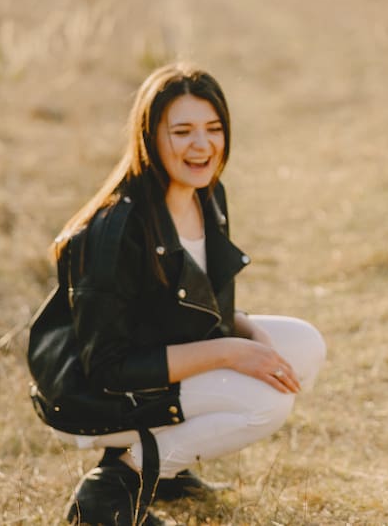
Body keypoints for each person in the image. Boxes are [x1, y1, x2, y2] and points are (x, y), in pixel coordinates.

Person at [28, 64, 326, 525]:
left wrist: (246, 334)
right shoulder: (117, 229)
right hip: (96, 390)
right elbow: (107, 367)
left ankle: (170, 471)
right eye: (182, 131)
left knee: (304, 345)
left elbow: (193, 305)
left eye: (213, 129)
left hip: (157, 358)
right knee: (266, 404)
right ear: (150, 138)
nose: (202, 145)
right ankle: (113, 487)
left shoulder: (207, 195)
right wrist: (230, 352)